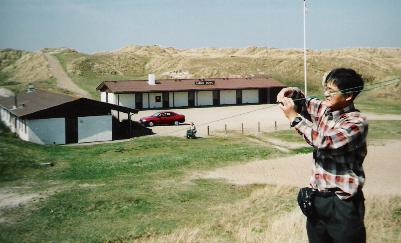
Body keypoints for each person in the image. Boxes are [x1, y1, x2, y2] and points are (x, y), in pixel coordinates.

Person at [276, 68, 367, 243]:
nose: (325, 94)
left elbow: (326, 143)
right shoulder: (325, 109)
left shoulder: (356, 122)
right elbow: (303, 101)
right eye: (325, 88)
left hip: (343, 204)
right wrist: (291, 92)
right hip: (317, 199)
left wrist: (295, 119)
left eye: (331, 91)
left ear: (348, 96)